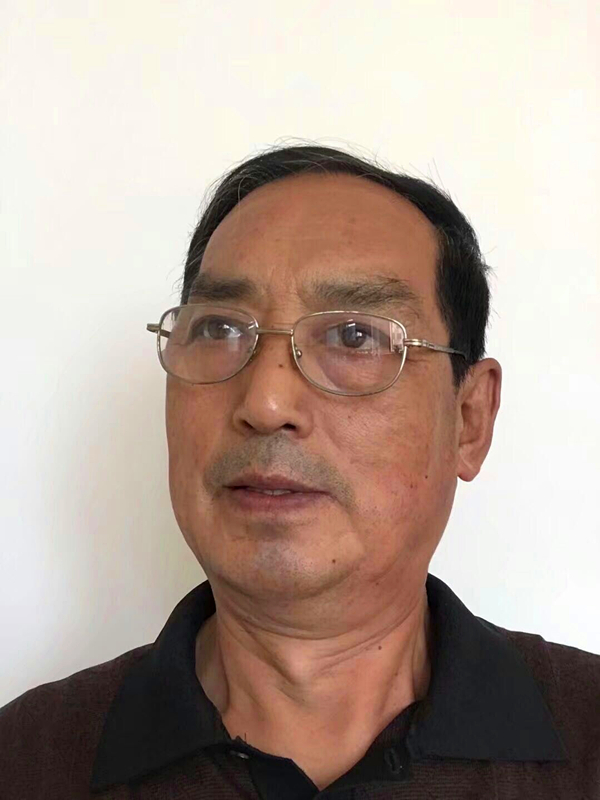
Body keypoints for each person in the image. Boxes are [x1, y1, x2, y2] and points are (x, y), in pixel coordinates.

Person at [2, 144, 598, 799]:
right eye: (220, 328)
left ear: (469, 419)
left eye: (354, 336)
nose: (265, 402)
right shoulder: (28, 760)